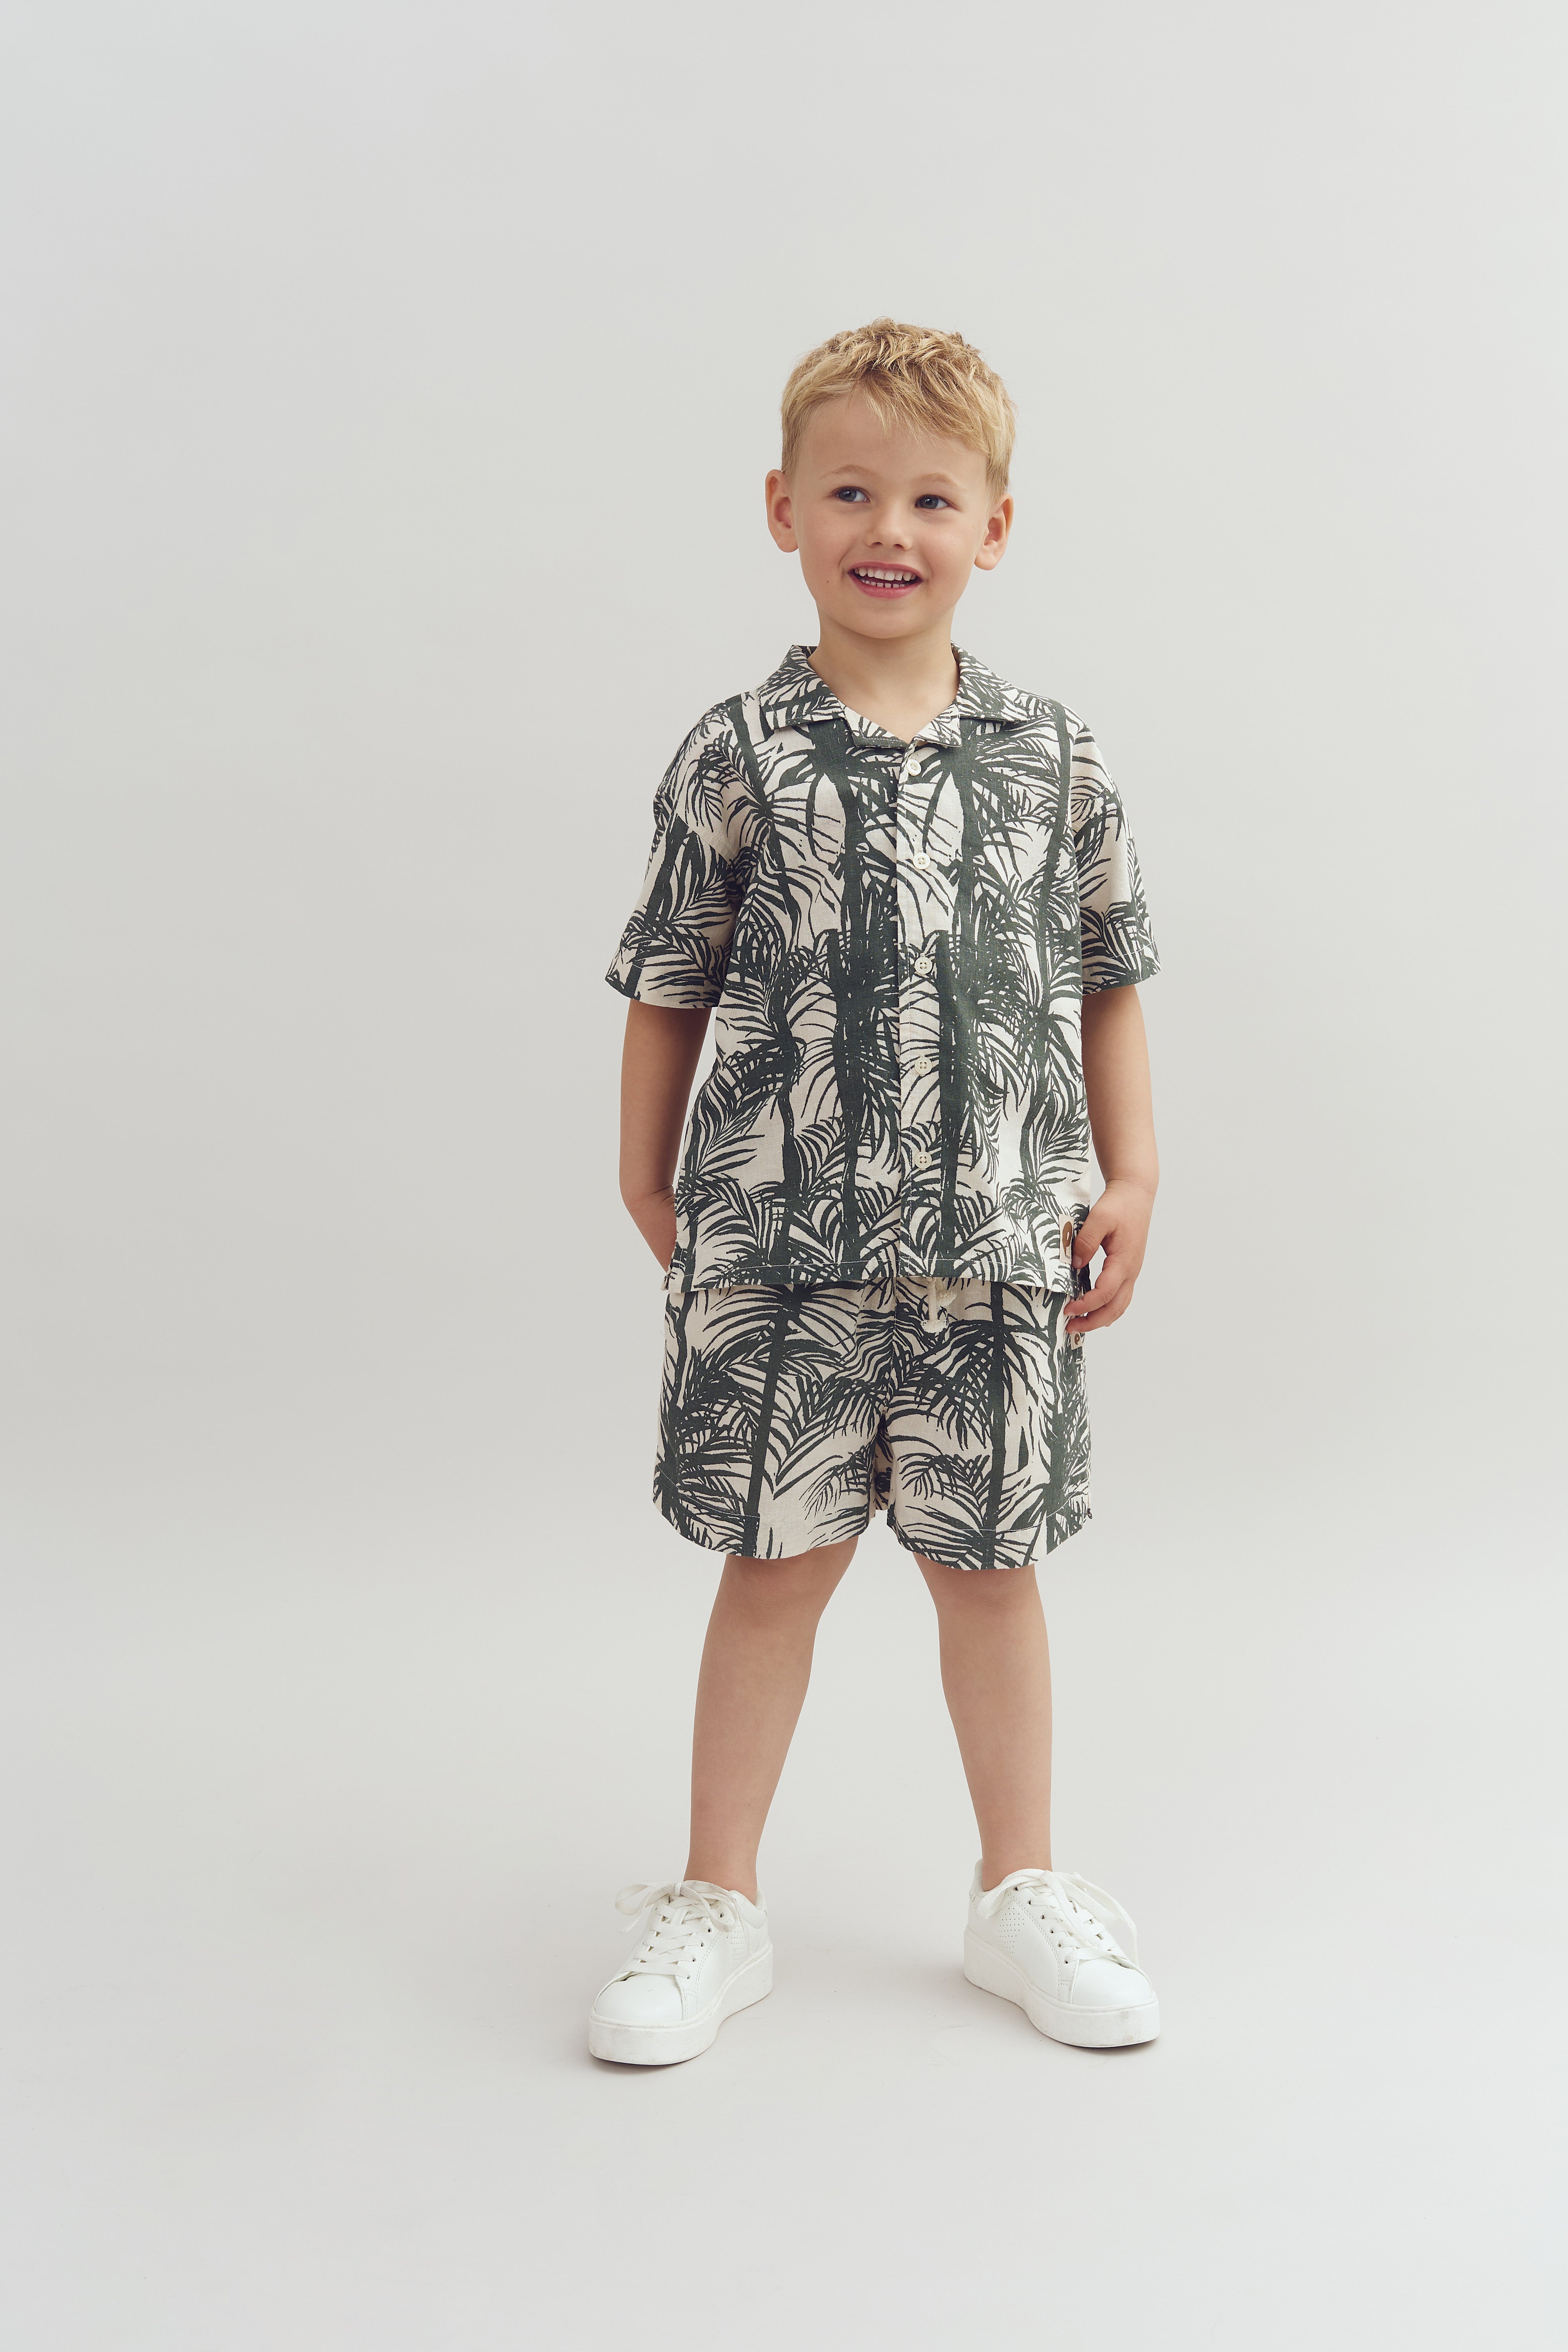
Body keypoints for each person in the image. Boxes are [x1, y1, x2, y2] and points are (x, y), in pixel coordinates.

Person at [592, 319, 1162, 2067]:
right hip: (782, 1257)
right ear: (783, 510)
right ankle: (716, 1899)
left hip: (999, 1250)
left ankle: (1020, 1889)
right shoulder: (738, 753)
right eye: (848, 493)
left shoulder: (1052, 754)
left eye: (928, 496)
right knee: (773, 1571)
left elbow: (1106, 974)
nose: (887, 528)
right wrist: (647, 1173)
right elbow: (671, 981)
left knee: (991, 1574)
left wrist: (1135, 1168)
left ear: (994, 525)